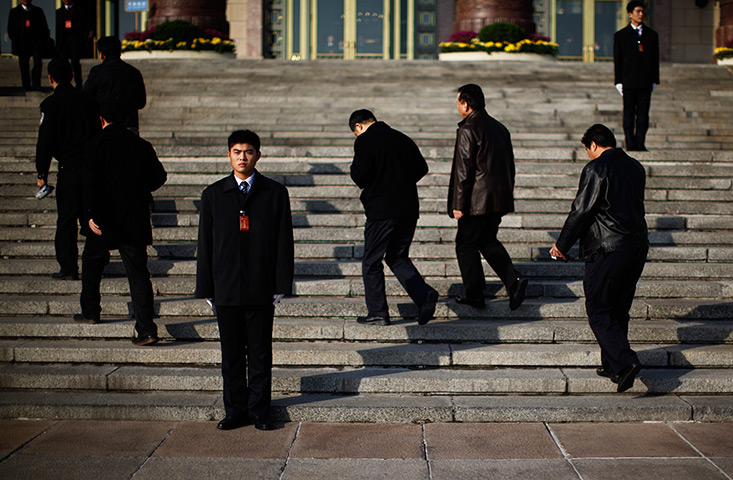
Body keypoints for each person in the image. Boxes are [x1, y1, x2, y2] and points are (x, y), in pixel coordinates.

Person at [195, 130, 294, 431]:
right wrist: (206, 287)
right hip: (226, 288)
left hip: (261, 288)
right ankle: (235, 410)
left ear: (258, 155)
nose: (242, 156)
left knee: (261, 354)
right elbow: (205, 244)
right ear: (229, 155)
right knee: (232, 355)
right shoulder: (213, 194)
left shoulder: (275, 193)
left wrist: (281, 285)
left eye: (248, 151)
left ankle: (259, 411)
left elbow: (283, 242)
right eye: (236, 151)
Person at [550, 124, 648, 393]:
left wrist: (561, 245)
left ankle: (625, 362)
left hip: (607, 248)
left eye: (587, 149)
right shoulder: (635, 167)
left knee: (599, 309)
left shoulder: (596, 169)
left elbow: (581, 210)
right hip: (636, 246)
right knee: (618, 308)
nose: (588, 154)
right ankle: (612, 365)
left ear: (593, 145)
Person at [77, 103, 167, 348]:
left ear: (101, 118)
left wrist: (88, 214)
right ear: (127, 117)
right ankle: (146, 328)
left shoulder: (95, 144)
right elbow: (159, 177)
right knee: (138, 276)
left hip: (102, 218)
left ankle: (91, 310)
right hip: (133, 218)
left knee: (92, 263)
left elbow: (87, 183)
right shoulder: (141, 145)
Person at [348, 109, 438, 326]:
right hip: (408, 208)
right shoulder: (402, 138)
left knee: (371, 261)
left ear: (358, 126)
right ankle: (423, 294)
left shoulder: (365, 141)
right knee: (397, 257)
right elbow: (422, 168)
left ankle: (378, 312)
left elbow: (360, 175)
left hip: (382, 210)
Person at [448, 84, 527, 311]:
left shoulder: (469, 129)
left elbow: (464, 172)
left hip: (475, 202)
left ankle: (475, 294)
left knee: (465, 246)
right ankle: (514, 281)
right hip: (497, 200)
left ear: (466, 103)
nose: (458, 107)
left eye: (458, 103)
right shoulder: (500, 128)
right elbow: (510, 167)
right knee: (486, 241)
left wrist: (458, 204)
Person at [36, 57, 100, 280]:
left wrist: (41, 173)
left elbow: (44, 141)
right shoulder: (88, 100)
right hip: (91, 166)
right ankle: (96, 261)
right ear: (72, 76)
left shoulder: (50, 105)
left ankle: (69, 266)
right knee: (90, 215)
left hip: (69, 167)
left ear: (51, 77)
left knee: (67, 220)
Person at [614, 0, 660, 151]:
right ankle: (630, 142)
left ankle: (640, 142)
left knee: (643, 114)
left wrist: (655, 80)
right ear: (629, 14)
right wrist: (618, 81)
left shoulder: (652, 35)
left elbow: (655, 59)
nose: (641, 14)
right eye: (638, 11)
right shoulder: (621, 36)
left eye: (642, 12)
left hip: (645, 82)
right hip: (628, 81)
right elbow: (618, 60)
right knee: (628, 113)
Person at [83, 36, 146, 135]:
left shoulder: (97, 72)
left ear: (101, 54)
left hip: (104, 126)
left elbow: (86, 97)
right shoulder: (134, 72)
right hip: (129, 127)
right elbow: (141, 102)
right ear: (119, 52)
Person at [7, 0, 49, 91]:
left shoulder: (38, 11)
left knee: (38, 63)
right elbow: (10, 28)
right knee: (24, 65)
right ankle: (26, 85)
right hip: (22, 44)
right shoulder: (14, 12)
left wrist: (42, 40)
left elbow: (44, 27)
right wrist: (15, 39)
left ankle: (36, 84)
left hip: (35, 43)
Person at [56, 0, 93, 88]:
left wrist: (85, 40)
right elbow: (58, 30)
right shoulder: (59, 12)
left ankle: (78, 82)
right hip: (64, 42)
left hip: (76, 41)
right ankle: (64, 83)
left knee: (75, 62)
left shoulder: (80, 10)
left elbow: (85, 26)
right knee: (63, 63)